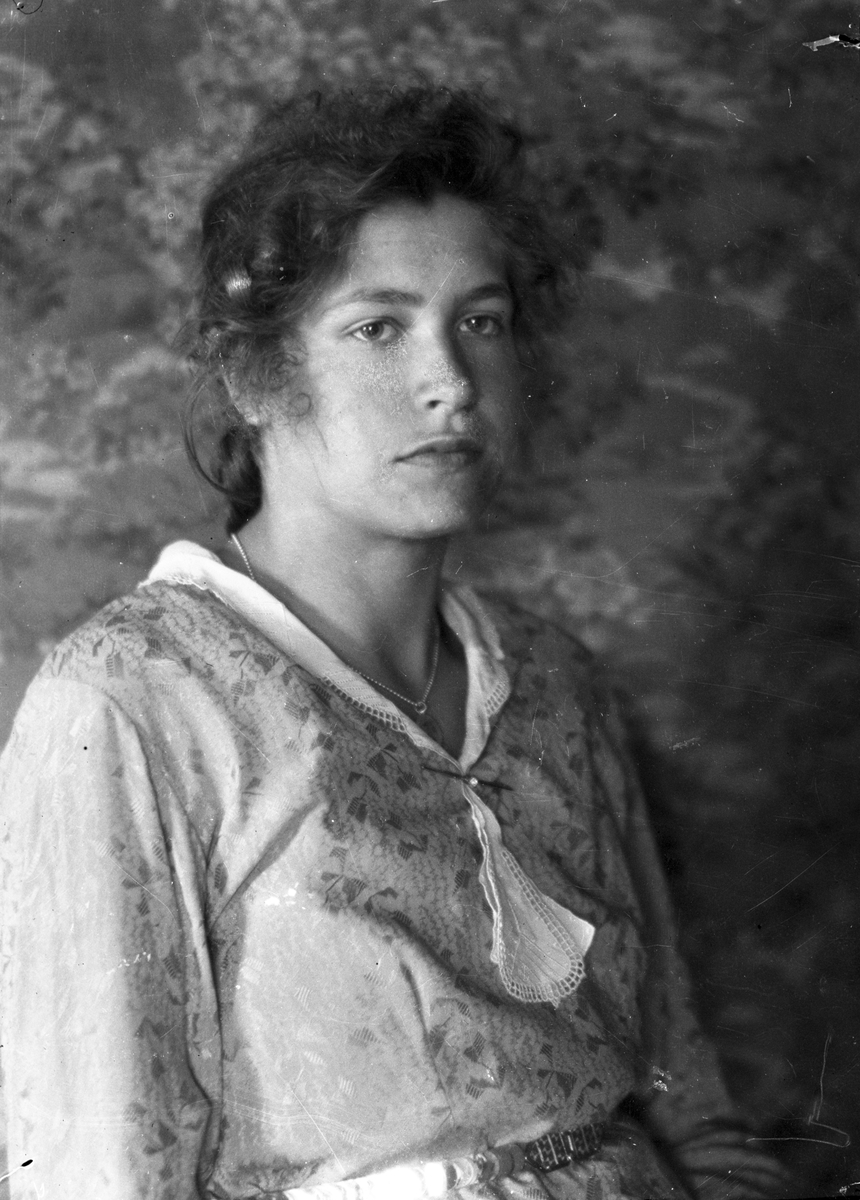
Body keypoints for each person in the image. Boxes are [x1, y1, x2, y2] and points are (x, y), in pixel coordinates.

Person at [0, 85, 790, 1200]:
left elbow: (686, 1101)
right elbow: (95, 1170)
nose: (450, 384)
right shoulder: (133, 701)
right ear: (254, 375)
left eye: (481, 321)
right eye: (379, 328)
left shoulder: (553, 681)